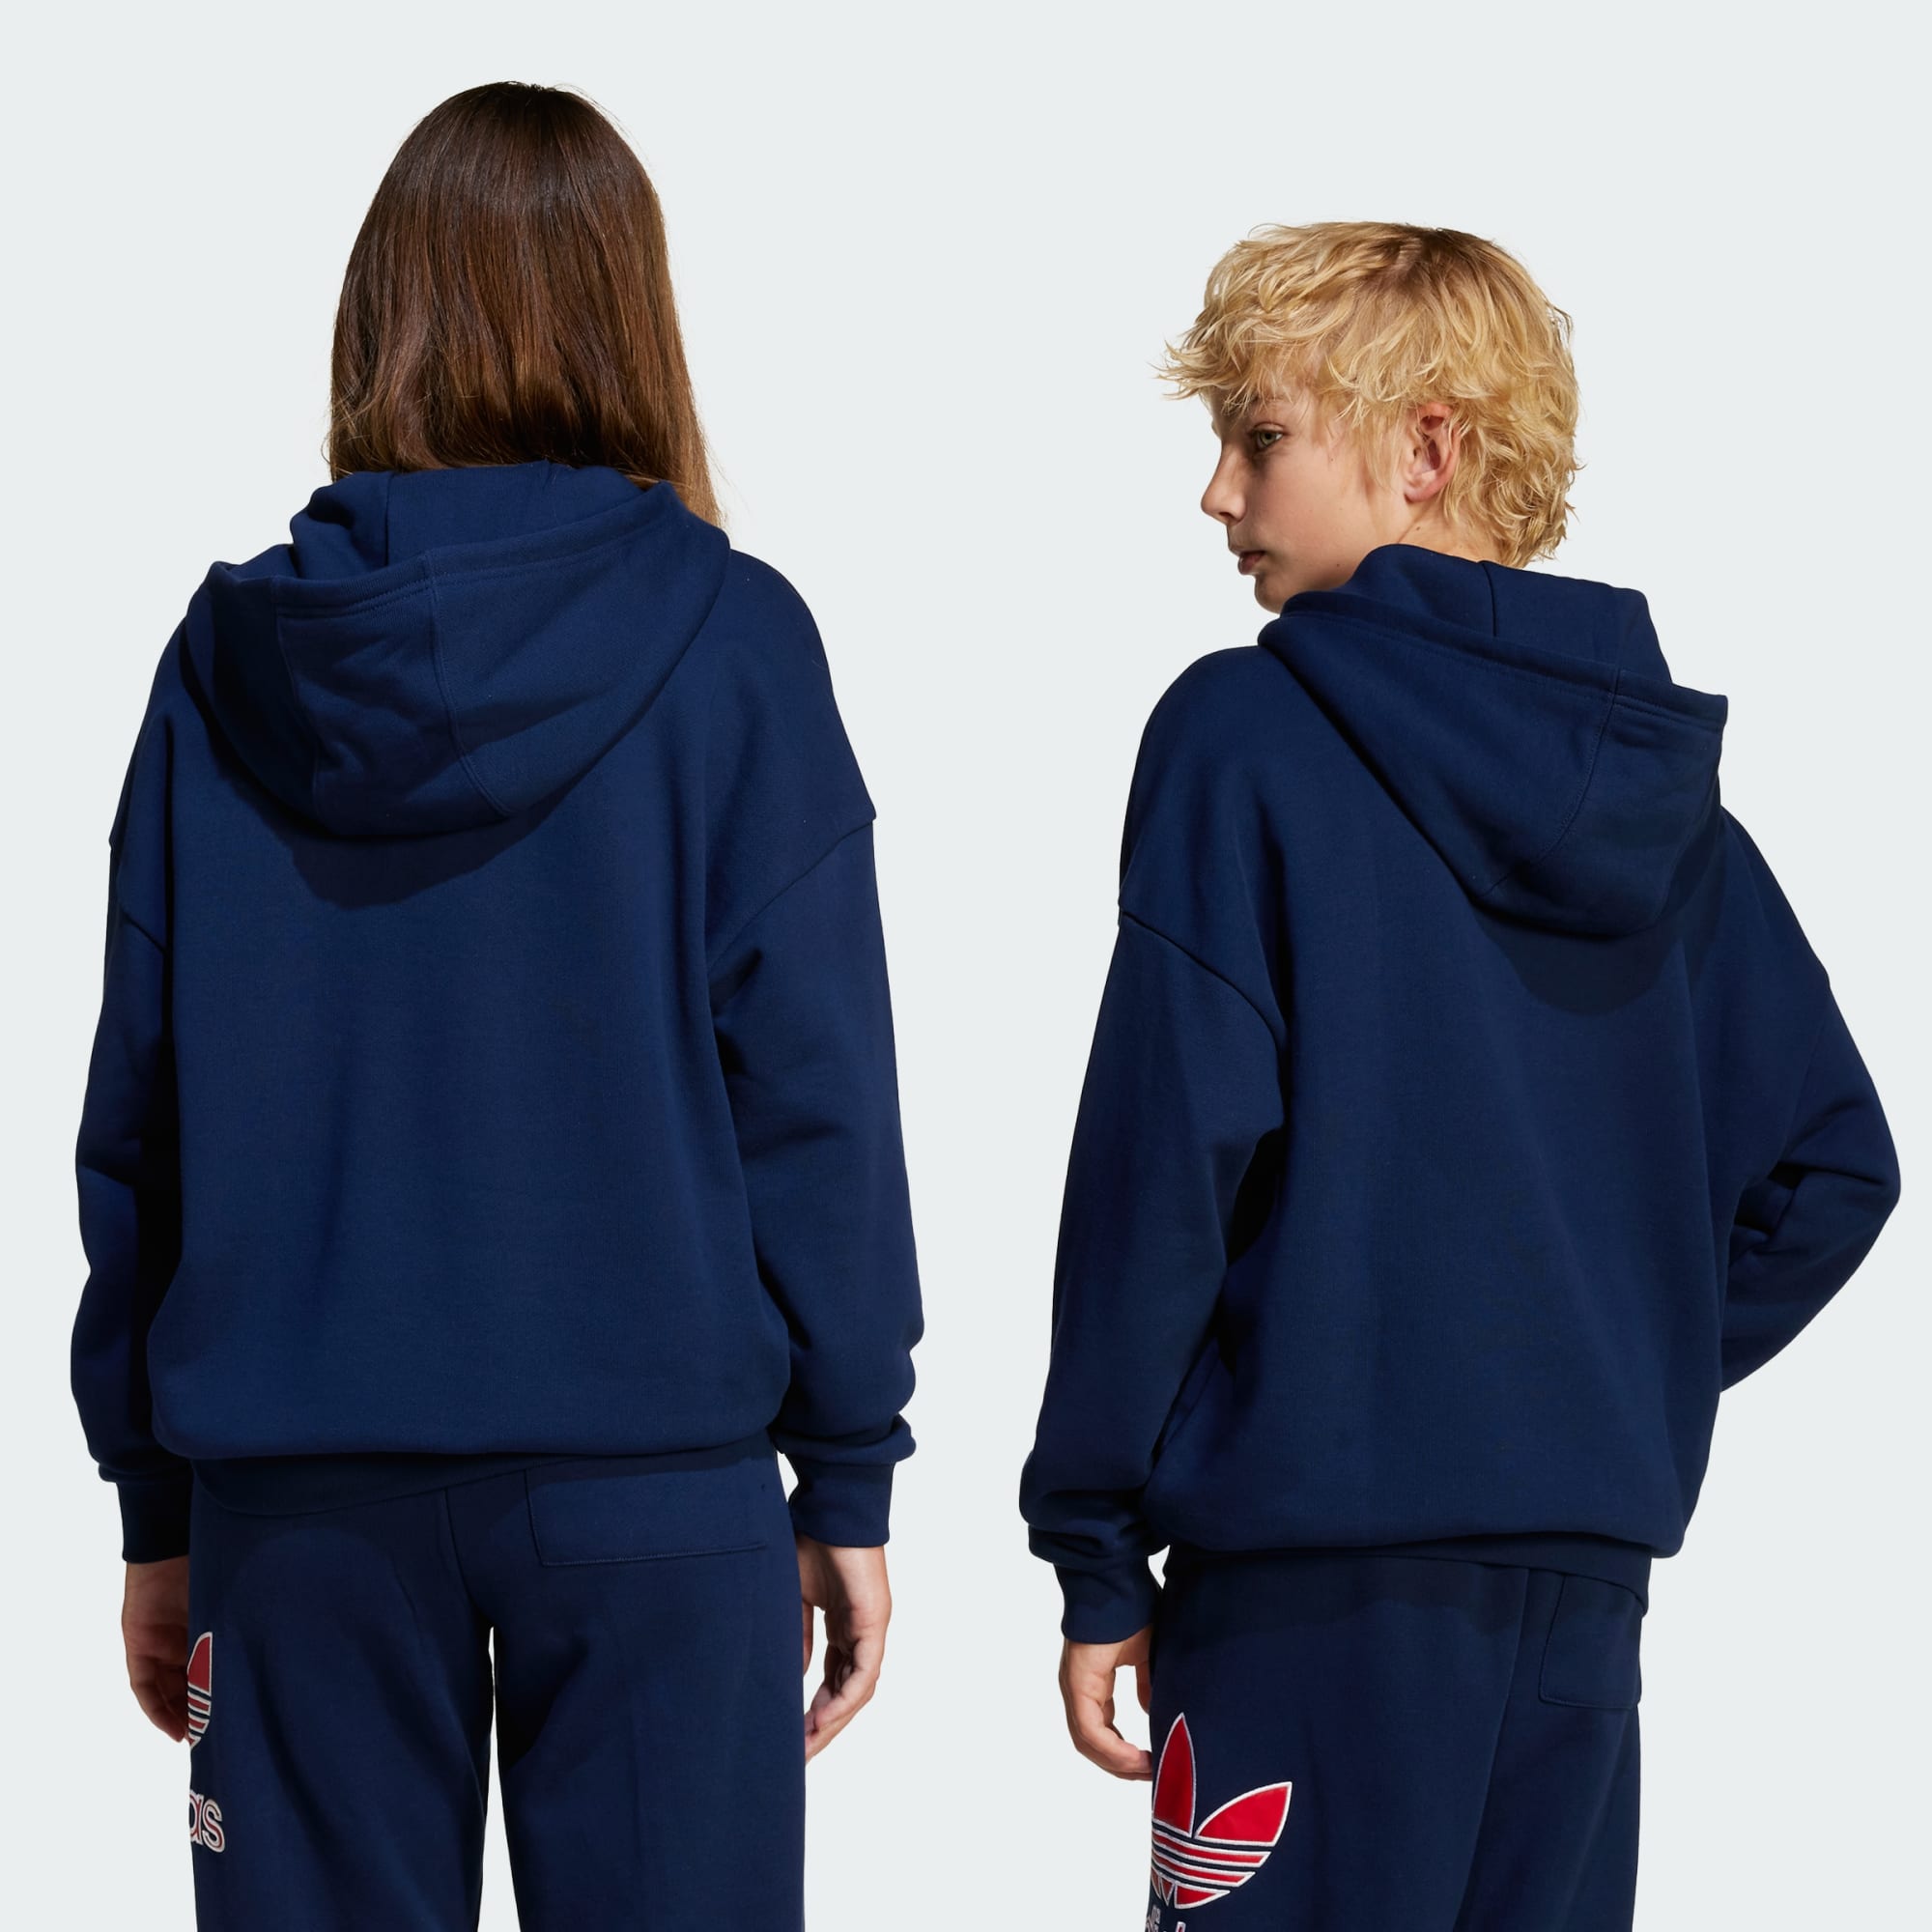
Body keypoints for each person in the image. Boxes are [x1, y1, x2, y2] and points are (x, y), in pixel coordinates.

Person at [70, 81, 922, 1930]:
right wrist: (848, 1466)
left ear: (381, 313)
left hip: (297, 1505)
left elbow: (141, 1110)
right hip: (653, 1496)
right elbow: (818, 1098)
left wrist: (155, 1502)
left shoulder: (226, 669)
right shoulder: (733, 642)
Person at [1018, 221, 1899, 1930]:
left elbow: (1163, 1164)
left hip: (1307, 1595)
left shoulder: (1242, 735)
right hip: (1581, 1606)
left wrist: (1095, 1541)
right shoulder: (1665, 807)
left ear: (1426, 447)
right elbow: (1832, 1166)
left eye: (1261, 436)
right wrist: (1587, 1370)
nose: (1217, 493)